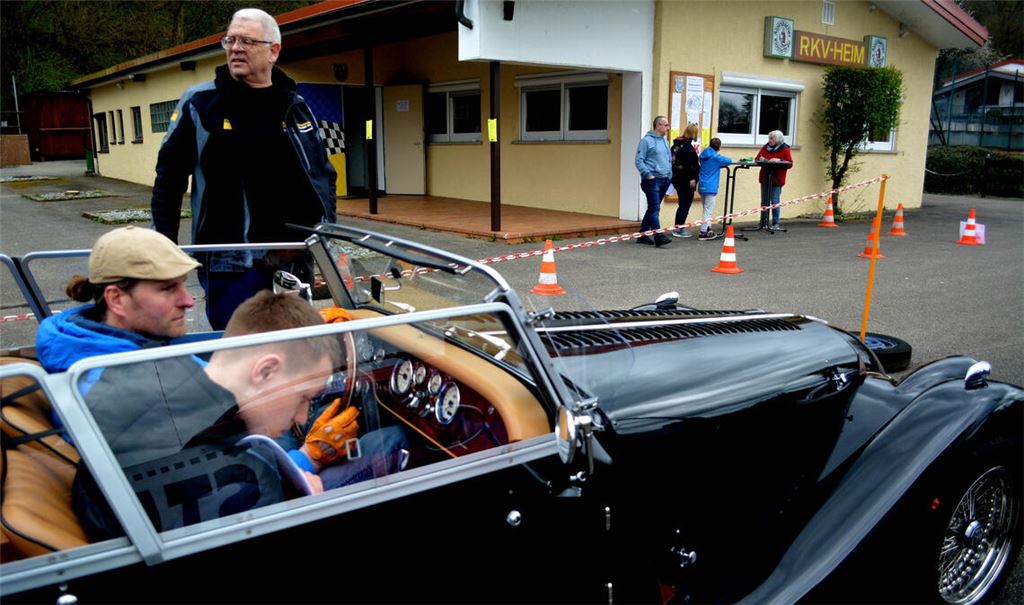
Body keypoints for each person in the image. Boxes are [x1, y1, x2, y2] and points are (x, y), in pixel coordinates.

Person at [74, 291, 407, 540]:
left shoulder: (150, 367)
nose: (303, 418)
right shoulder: (248, 481)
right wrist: (300, 501)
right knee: (392, 439)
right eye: (304, 397)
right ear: (264, 371)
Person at [150, 7, 337, 330]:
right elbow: (168, 182)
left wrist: (324, 234)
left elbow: (323, 174)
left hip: (294, 259)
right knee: (240, 361)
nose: (235, 48)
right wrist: (161, 255)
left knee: (296, 354)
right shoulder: (200, 103)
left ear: (273, 51)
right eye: (230, 40)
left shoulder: (297, 105)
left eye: (247, 41)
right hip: (231, 263)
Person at [35, 225, 200, 377]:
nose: (188, 301)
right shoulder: (134, 379)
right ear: (116, 299)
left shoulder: (81, 348)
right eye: (168, 288)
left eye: (183, 283)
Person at [634, 115, 673, 247]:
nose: (668, 128)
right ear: (658, 126)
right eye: (665, 125)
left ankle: (643, 234)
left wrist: (669, 175)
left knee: (653, 208)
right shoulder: (646, 141)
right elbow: (638, 160)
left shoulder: (665, 142)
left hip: (664, 179)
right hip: (652, 180)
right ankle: (658, 236)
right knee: (655, 208)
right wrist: (648, 174)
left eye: (668, 125)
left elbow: (668, 159)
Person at [755, 130, 794, 231]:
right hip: (765, 177)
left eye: (772, 138)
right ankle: (763, 222)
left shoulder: (785, 149)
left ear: (778, 139)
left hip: (777, 179)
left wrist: (779, 160)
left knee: (775, 201)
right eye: (769, 138)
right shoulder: (765, 147)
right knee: (764, 200)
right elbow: (757, 158)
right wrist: (762, 159)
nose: (770, 140)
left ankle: (775, 223)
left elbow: (790, 163)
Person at [696, 138, 734, 241]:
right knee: (708, 210)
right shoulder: (716, 158)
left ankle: (708, 228)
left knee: (706, 209)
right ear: (719, 147)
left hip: (702, 185)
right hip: (711, 186)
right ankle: (703, 232)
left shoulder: (703, 155)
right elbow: (729, 161)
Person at [670, 124, 701, 238]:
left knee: (682, 203)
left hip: (677, 178)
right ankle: (679, 228)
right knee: (685, 204)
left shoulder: (676, 146)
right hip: (686, 180)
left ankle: (678, 227)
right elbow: (689, 165)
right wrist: (692, 178)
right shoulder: (688, 147)